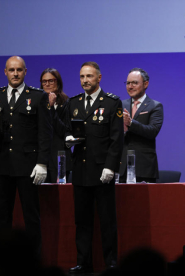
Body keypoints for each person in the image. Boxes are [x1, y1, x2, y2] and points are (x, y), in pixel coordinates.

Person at [0, 56, 53, 255]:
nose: (15, 74)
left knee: (31, 217)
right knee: (2, 217)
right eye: (11, 70)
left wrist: (42, 163)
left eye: (19, 70)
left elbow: (45, 133)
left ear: (25, 72)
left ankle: (33, 262)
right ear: (5, 72)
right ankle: (2, 262)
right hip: (2, 165)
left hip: (28, 166)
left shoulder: (38, 97)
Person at [65, 61, 123, 273]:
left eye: (89, 76)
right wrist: (68, 140)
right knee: (82, 221)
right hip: (80, 170)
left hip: (102, 171)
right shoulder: (74, 103)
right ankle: (83, 262)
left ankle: (111, 263)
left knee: (107, 221)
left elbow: (116, 139)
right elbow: (65, 131)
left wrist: (111, 167)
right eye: (82, 77)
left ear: (99, 78)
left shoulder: (111, 102)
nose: (85, 81)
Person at [119, 68, 163, 183]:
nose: (130, 86)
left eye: (134, 83)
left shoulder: (155, 106)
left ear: (145, 84)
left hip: (144, 167)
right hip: (121, 167)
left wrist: (131, 123)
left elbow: (152, 131)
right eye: (128, 83)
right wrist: (122, 131)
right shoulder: (120, 105)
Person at [40, 68, 71, 183]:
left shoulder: (66, 103)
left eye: (51, 81)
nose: (47, 84)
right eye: (44, 81)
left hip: (59, 157)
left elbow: (64, 130)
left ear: (58, 82)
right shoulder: (36, 102)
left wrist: (51, 108)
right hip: (41, 157)